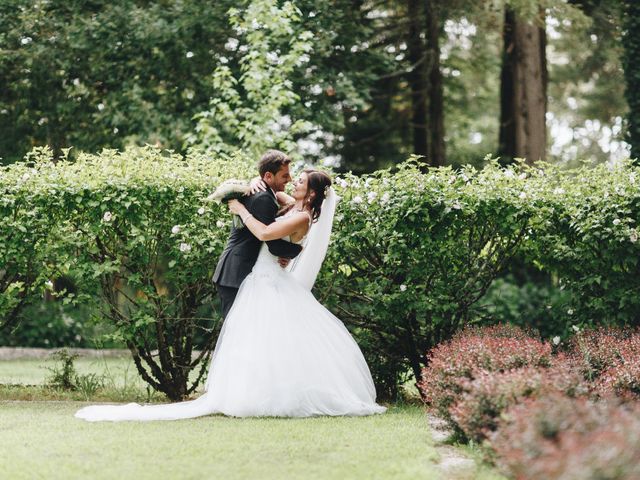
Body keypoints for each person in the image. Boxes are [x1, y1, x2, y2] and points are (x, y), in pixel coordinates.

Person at [75, 162, 386, 421]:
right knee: (259, 340)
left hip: (268, 281)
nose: (294, 183)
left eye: (301, 181)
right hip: (262, 278)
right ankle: (255, 392)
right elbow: (271, 189)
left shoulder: (303, 217)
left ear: (314, 192)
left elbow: (265, 232)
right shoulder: (291, 205)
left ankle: (267, 397)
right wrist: (253, 181)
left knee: (263, 340)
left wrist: (239, 208)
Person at [213, 150, 303, 319]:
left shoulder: (266, 193)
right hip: (236, 271)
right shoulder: (263, 198)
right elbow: (273, 243)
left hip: (238, 270)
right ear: (269, 176)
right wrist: (298, 250)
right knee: (235, 329)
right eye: (285, 176)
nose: (289, 180)